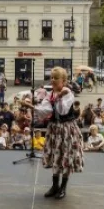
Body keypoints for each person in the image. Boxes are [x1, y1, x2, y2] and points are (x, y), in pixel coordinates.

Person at [32, 67, 84, 200]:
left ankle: (63, 187)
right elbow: (46, 111)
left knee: (66, 156)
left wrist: (60, 96)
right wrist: (33, 107)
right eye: (51, 77)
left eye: (56, 78)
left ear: (64, 81)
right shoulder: (50, 94)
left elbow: (62, 111)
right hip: (54, 129)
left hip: (66, 129)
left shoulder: (68, 93)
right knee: (56, 156)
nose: (53, 80)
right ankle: (55, 185)